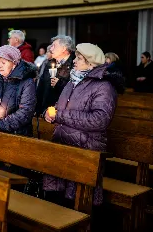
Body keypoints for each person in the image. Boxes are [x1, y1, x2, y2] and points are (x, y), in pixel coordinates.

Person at [43, 43, 124, 207]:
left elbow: (99, 120)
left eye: (79, 58)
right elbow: (59, 107)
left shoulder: (104, 86)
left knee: (77, 201)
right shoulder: (73, 81)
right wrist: (49, 113)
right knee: (58, 202)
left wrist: (60, 115)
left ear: (91, 63)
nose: (74, 61)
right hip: (64, 145)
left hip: (85, 148)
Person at [0, 45, 37, 136]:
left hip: (17, 135)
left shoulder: (27, 82)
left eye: (3, 63)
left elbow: (25, 112)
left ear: (14, 63)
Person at [36, 35, 75, 116]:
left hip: (63, 113)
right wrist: (38, 109)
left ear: (64, 48)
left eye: (54, 46)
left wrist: (60, 83)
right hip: (45, 111)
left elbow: (74, 91)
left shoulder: (75, 65)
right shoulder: (49, 64)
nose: (51, 48)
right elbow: (41, 88)